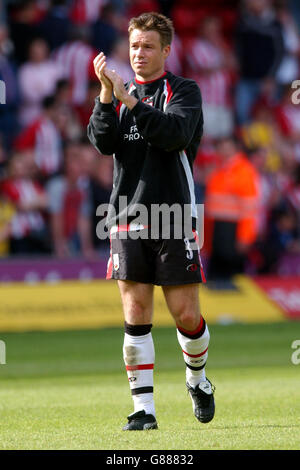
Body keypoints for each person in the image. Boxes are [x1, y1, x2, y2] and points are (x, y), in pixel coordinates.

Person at [88, 12, 215, 431]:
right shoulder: (119, 95)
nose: (138, 53)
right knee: (136, 311)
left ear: (166, 50)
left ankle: (197, 380)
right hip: (125, 217)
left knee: (185, 316)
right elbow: (103, 142)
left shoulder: (184, 91)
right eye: (134, 45)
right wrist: (106, 97)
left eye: (147, 46)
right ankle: (144, 411)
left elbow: (174, 134)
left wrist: (129, 100)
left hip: (173, 216)